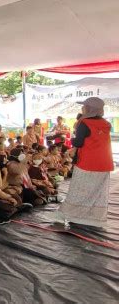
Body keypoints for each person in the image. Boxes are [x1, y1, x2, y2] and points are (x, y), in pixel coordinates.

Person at [59, 97, 114, 227]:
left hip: (87, 163)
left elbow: (79, 142)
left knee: (79, 189)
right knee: (97, 191)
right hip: (104, 164)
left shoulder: (84, 122)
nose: (82, 108)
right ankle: (93, 218)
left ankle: (74, 215)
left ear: (90, 109)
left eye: (84, 106)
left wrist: (70, 140)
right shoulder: (106, 124)